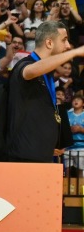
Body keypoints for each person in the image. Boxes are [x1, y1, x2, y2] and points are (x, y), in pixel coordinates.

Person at [6, 21, 84, 162]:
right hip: (24, 156)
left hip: (41, 152)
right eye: (64, 40)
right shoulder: (25, 64)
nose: (67, 45)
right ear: (49, 43)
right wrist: (75, 52)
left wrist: (48, 144)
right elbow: (30, 71)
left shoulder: (47, 72)